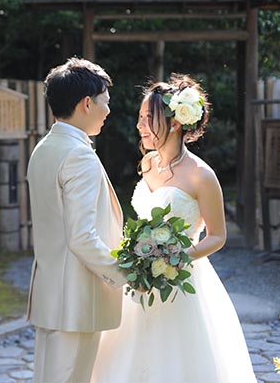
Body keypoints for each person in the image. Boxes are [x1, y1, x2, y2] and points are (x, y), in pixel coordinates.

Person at [92, 74, 257, 383]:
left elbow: (218, 236)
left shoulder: (201, 176)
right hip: (139, 282)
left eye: (147, 118)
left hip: (182, 281)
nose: (140, 125)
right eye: (140, 118)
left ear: (175, 122)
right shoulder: (147, 163)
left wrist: (176, 258)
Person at [27, 57, 127, 383]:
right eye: (105, 102)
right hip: (76, 301)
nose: (108, 111)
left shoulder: (44, 148)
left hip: (51, 296)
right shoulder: (78, 155)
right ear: (87, 103)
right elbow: (81, 237)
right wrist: (124, 272)